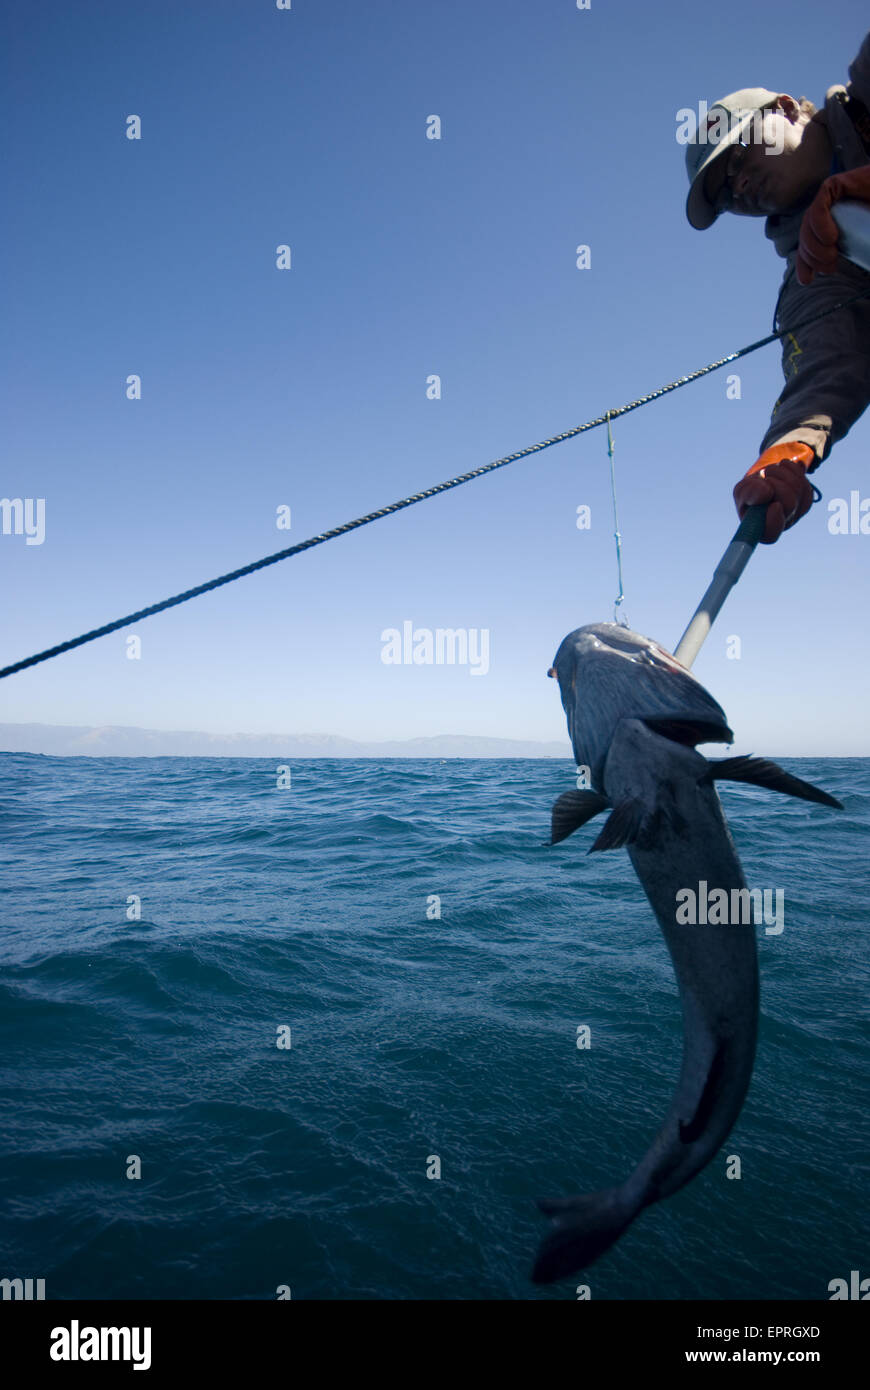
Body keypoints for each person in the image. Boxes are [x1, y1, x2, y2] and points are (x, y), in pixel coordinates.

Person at [684, 33, 870, 542]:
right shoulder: (813, 274)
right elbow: (821, 368)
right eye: (725, 194)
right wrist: (784, 454)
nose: (739, 187)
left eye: (740, 158)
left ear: (786, 108)